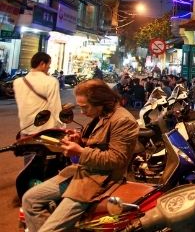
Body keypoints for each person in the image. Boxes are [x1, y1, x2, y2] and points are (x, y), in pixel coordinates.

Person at [22, 79, 139, 231]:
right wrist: (80, 141)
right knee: (30, 200)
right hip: (81, 172)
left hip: (99, 180)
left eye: (85, 107)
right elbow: (96, 143)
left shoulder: (122, 120)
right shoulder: (102, 114)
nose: (82, 112)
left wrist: (80, 151)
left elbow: (116, 158)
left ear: (101, 102)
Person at [13, 52, 63, 135]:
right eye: (49, 64)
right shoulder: (51, 81)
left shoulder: (17, 82)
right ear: (42, 64)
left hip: (25, 128)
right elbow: (55, 107)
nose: (49, 67)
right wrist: (61, 126)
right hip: (44, 129)